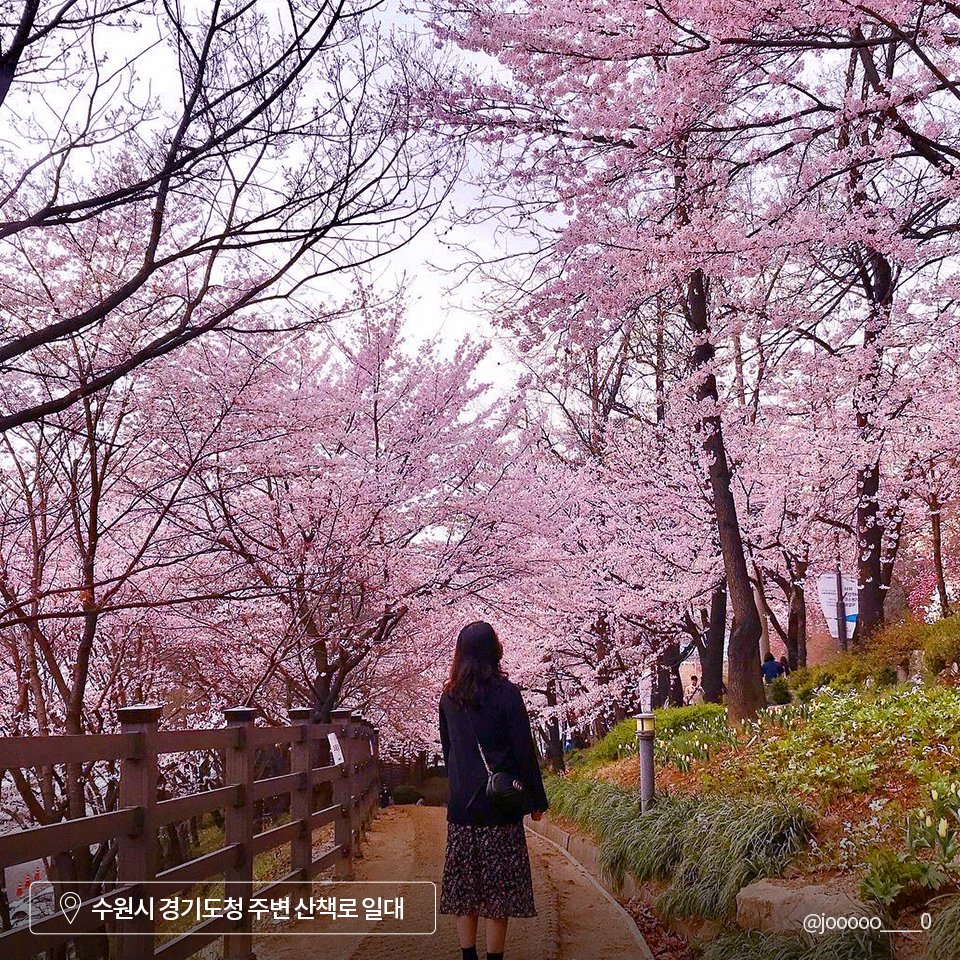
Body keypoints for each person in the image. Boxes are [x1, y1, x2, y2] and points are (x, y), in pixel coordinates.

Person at [439, 621, 549, 960]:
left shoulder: (449, 697)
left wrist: (459, 790)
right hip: (498, 806)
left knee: (466, 890)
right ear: (494, 651)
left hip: (463, 809)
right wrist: (535, 800)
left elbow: (448, 752)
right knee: (498, 893)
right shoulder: (507, 694)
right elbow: (523, 750)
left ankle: (467, 955)